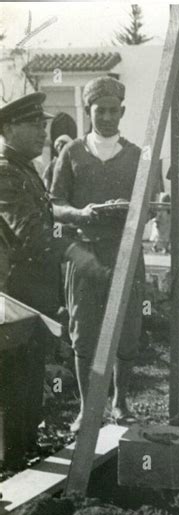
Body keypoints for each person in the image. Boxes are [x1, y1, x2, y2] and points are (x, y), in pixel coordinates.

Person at [51, 76, 145, 433]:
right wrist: (81, 213)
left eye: (112, 110)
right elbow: (55, 205)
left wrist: (131, 211)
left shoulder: (137, 155)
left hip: (124, 251)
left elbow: (152, 203)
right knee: (83, 331)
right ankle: (88, 408)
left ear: (122, 112)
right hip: (84, 253)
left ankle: (121, 403)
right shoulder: (72, 152)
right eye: (99, 110)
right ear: (89, 111)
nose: (106, 117)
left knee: (128, 328)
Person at [0, 93, 67, 462]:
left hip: (32, 290)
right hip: (14, 291)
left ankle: (25, 445)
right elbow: (29, 233)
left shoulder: (25, 168)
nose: (43, 132)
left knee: (30, 369)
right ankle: (12, 456)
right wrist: (72, 243)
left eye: (43, 125)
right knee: (14, 373)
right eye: (34, 125)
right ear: (9, 128)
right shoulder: (6, 171)